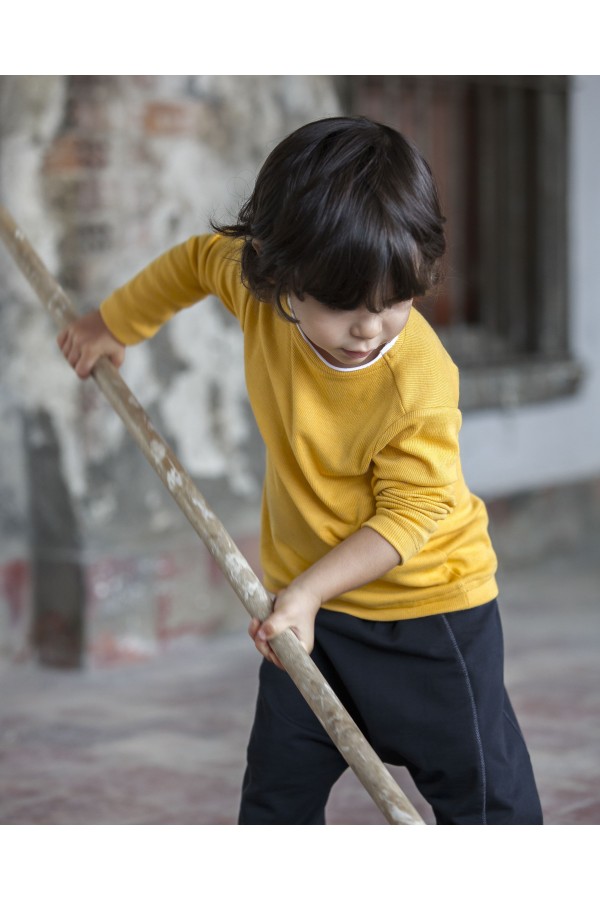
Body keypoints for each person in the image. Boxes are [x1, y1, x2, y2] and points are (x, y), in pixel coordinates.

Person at [57, 116, 543, 825]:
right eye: (345, 307)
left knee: (486, 806)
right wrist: (112, 324)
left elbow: (412, 513)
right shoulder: (256, 292)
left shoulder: (417, 382)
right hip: (307, 613)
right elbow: (195, 261)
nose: (370, 329)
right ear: (281, 276)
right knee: (275, 803)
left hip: (428, 615)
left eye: (397, 303)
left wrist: (308, 592)